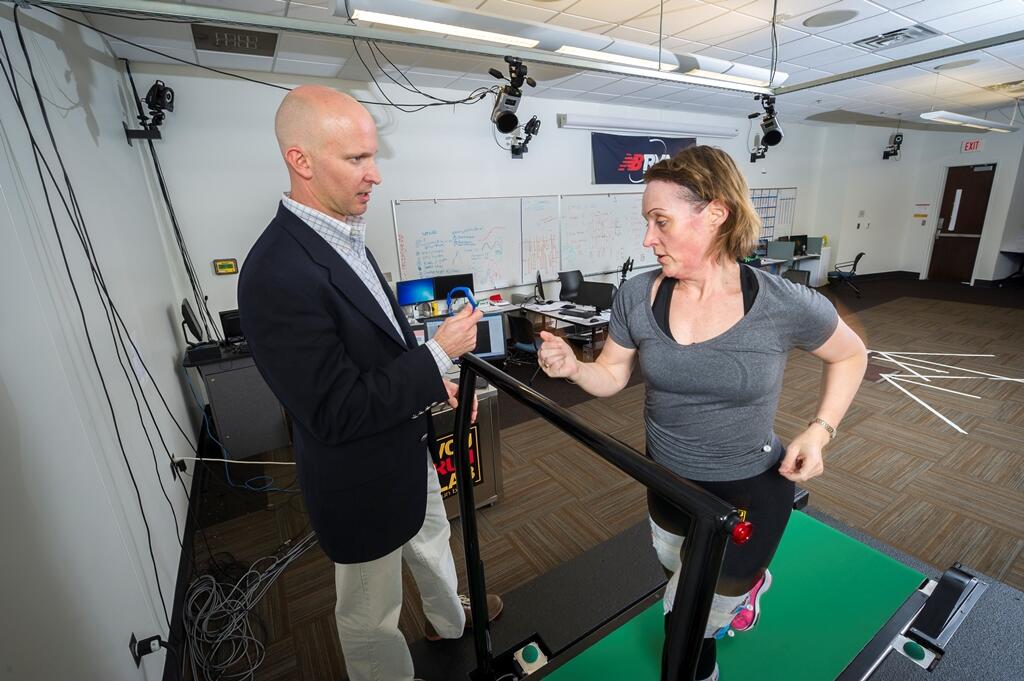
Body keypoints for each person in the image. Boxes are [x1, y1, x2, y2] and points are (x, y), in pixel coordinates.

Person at [537, 146, 867, 681]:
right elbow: (612, 376)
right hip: (665, 478)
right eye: (648, 222)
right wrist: (575, 368)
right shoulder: (637, 295)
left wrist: (820, 430)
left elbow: (851, 353)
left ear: (715, 214)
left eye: (660, 221)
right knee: (676, 568)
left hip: (751, 488)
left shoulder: (783, 303)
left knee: (686, 618)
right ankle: (743, 591)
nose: (648, 238)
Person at [238, 85, 501, 681]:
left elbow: (379, 347)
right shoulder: (275, 274)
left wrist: (438, 386)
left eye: (372, 156)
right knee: (369, 612)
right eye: (356, 159)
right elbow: (333, 410)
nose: (374, 175)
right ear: (300, 161)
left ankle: (448, 621)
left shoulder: (343, 236)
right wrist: (438, 355)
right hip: (357, 481)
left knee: (434, 547)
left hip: (406, 450)